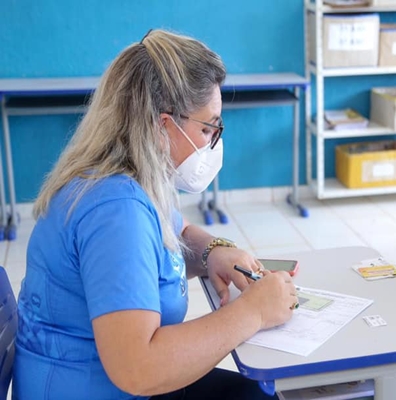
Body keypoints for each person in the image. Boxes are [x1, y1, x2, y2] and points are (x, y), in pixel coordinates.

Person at [14, 29, 298, 400]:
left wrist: (214, 252)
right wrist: (253, 313)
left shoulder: (134, 177)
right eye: (208, 127)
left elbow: (170, 239)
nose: (214, 141)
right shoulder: (116, 210)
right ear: (165, 125)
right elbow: (139, 368)